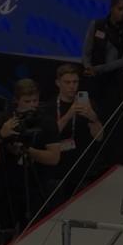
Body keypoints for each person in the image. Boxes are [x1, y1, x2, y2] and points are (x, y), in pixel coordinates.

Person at [0, 79, 60, 230]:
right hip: (7, 187)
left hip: (36, 186)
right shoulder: (5, 118)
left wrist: (28, 150)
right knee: (5, 231)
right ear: (17, 101)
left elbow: (54, 158)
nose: (32, 105)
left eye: (35, 100)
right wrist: (1, 135)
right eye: (27, 101)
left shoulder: (46, 121)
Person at [45, 64, 104, 196]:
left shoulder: (89, 104)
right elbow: (50, 136)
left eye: (75, 82)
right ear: (58, 83)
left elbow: (99, 137)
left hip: (83, 168)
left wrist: (93, 118)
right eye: (67, 82)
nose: (72, 86)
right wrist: (69, 115)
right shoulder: (49, 107)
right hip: (58, 169)